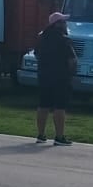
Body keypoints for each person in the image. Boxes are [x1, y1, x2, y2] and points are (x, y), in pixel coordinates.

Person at [34, 12, 76, 145]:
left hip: (44, 76)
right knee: (60, 106)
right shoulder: (64, 40)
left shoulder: (42, 38)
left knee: (43, 105)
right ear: (57, 24)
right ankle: (59, 136)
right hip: (61, 77)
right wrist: (72, 74)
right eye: (63, 22)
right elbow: (72, 60)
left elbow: (36, 54)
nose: (65, 24)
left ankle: (41, 135)